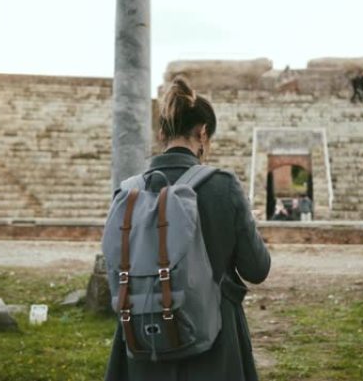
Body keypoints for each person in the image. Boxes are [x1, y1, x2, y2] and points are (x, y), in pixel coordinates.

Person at [104, 77, 271, 381]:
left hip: (144, 337)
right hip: (213, 342)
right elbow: (257, 268)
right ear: (203, 133)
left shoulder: (127, 192)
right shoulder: (222, 186)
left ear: (161, 133)